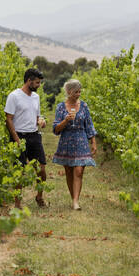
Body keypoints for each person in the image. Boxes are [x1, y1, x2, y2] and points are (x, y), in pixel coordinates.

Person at [5, 68, 48, 208]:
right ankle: (17, 203)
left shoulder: (36, 97)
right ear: (28, 81)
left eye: (40, 83)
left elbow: (37, 116)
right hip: (19, 135)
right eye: (37, 83)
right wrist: (17, 139)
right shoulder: (14, 96)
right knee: (20, 171)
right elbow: (9, 119)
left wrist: (41, 121)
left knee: (41, 169)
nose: (39, 85)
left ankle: (39, 197)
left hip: (34, 135)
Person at [52, 79, 97, 210]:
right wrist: (65, 121)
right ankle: (74, 199)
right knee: (69, 171)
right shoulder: (61, 107)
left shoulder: (84, 106)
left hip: (81, 141)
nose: (78, 94)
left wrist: (93, 142)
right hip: (66, 141)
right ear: (69, 92)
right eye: (76, 92)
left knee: (78, 171)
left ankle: (76, 201)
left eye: (79, 91)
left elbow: (89, 125)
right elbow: (55, 129)